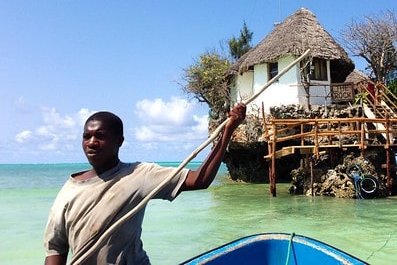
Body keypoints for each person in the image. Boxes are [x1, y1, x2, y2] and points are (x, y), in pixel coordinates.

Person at [44, 103, 246, 265]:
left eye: (100, 136)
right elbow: (56, 250)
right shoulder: (69, 190)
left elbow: (199, 180)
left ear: (119, 141)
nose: (91, 142)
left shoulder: (139, 174)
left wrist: (228, 131)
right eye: (87, 136)